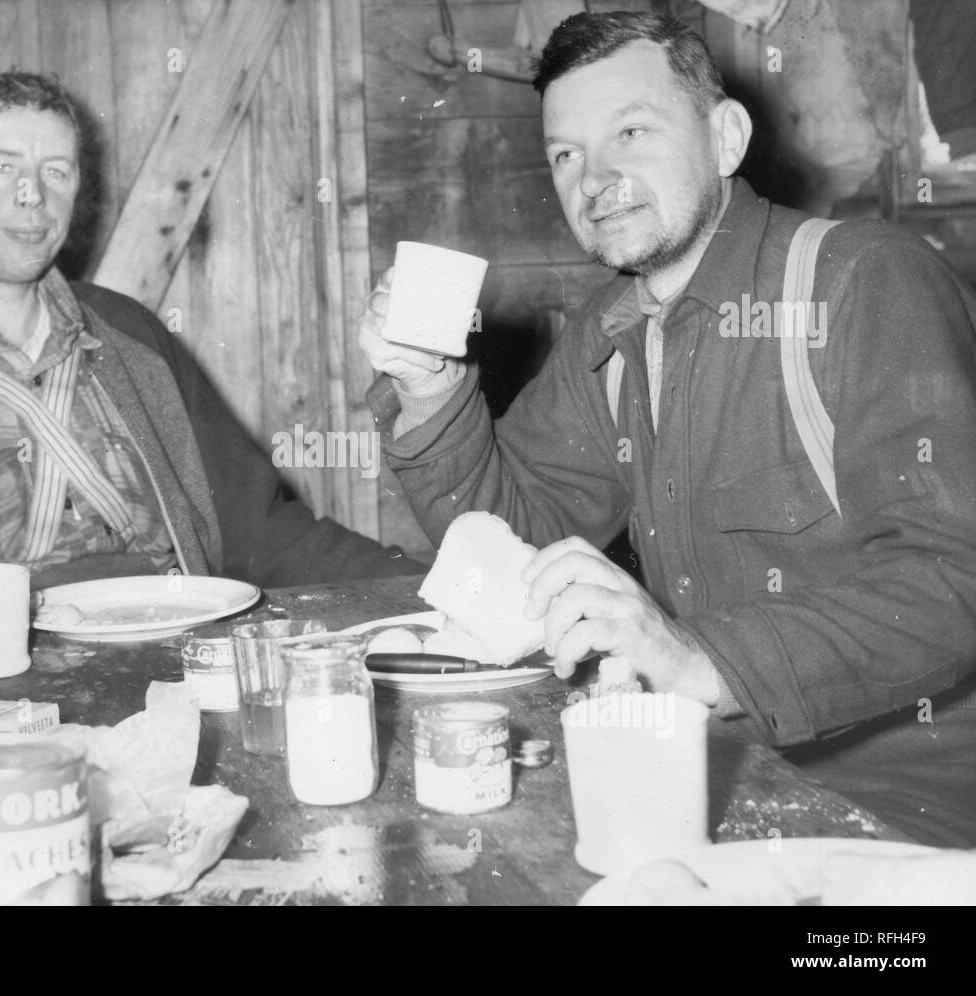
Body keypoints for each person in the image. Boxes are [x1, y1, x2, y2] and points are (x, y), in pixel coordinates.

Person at [360, 11, 976, 846]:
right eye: (566, 154)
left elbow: (953, 587)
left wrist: (698, 660)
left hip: (906, 809)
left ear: (725, 138)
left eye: (633, 131)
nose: (594, 177)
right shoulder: (612, 331)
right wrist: (431, 392)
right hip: (706, 780)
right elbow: (510, 545)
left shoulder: (862, 279)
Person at [0, 70, 421, 635]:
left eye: (56, 171)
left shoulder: (128, 333)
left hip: (175, 645)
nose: (33, 196)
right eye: (3, 168)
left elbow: (259, 532)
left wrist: (423, 589)